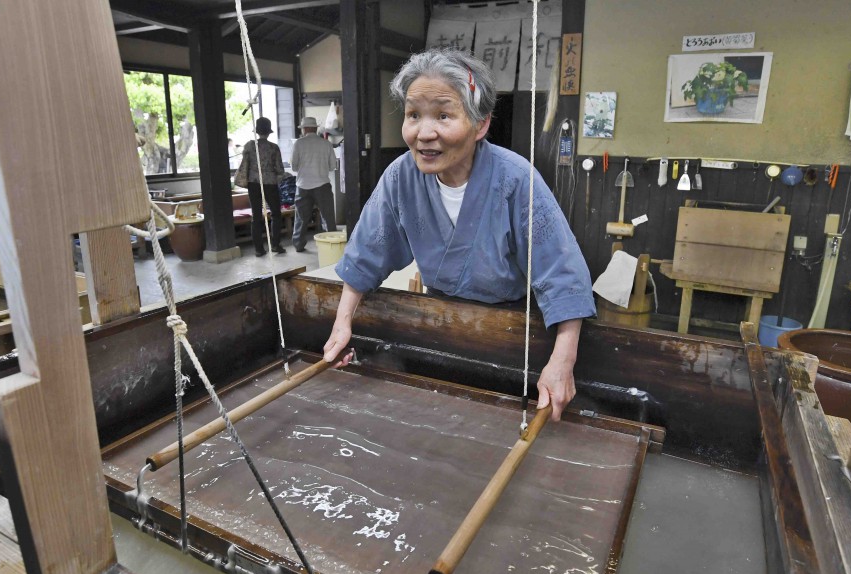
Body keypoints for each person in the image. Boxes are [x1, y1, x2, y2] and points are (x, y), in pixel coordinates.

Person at [322, 49, 595, 421]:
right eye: (413, 115)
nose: (424, 132)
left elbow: (562, 276)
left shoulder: (516, 179)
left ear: (480, 124)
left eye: (443, 115)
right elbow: (366, 254)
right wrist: (342, 324)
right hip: (439, 323)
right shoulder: (401, 176)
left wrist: (562, 362)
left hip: (512, 330)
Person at [290, 116, 338, 252]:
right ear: (315, 128)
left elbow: (293, 166)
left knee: (301, 218)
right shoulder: (326, 144)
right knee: (328, 216)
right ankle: (332, 243)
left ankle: (298, 245)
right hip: (322, 184)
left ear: (304, 129)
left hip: (302, 185)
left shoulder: (298, 144)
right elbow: (332, 166)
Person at [240, 118, 285, 256]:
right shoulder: (274, 148)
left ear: (257, 131)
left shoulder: (249, 146)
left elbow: (245, 164)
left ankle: (259, 249)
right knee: (276, 214)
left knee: (256, 216)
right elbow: (279, 169)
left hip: (253, 183)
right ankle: (276, 245)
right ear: (269, 132)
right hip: (270, 183)